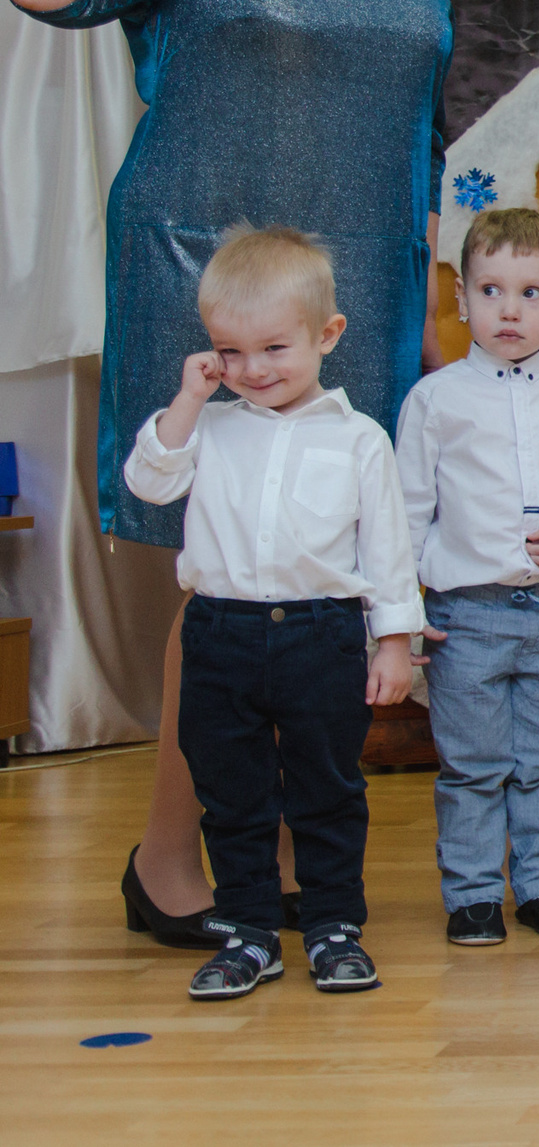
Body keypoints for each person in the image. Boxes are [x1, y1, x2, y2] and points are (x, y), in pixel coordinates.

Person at [8, 0, 452, 944]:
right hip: (207, 284)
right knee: (232, 583)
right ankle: (170, 861)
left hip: (352, 291)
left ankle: (252, 863)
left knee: (323, 592)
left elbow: (413, 138)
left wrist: (417, 313)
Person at [121, 226, 419, 999]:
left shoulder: (359, 440)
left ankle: (331, 925)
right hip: (220, 634)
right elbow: (149, 483)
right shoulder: (208, 429)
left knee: (326, 787)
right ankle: (248, 931)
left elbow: (387, 551)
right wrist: (189, 396)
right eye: (232, 351)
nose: (252, 370)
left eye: (274, 349)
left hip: (321, 634)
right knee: (233, 792)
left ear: (327, 335)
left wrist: (394, 643)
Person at [396, 208, 539, 946]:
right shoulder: (434, 400)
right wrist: (401, 613)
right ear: (461, 298)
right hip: (466, 611)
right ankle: (471, 894)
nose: (509, 309)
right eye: (491, 290)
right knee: (473, 763)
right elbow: (406, 510)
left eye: (530, 293)